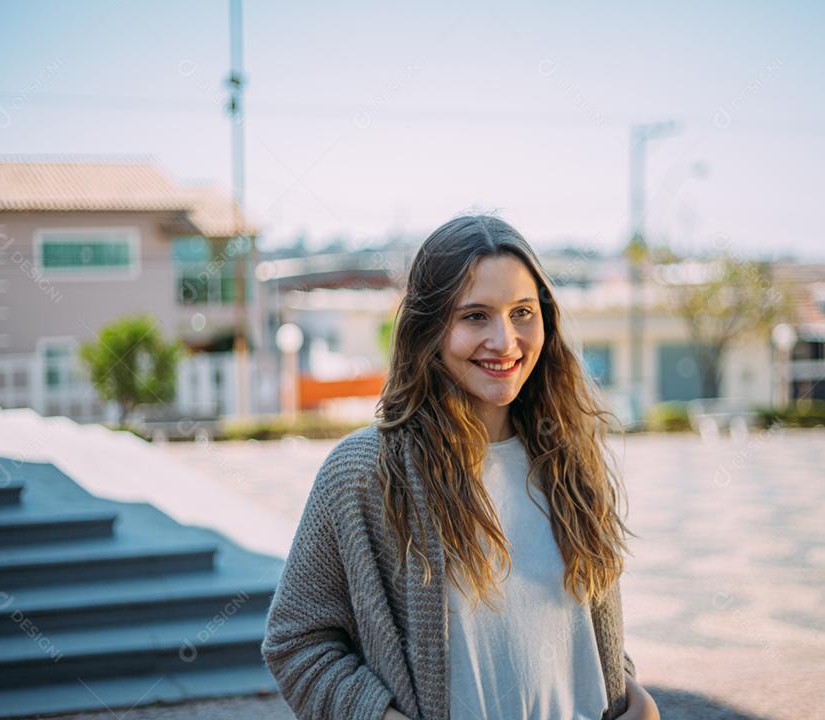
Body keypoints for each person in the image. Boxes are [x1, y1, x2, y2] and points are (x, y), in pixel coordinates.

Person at [262, 215, 660, 720]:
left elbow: (576, 633)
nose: (504, 340)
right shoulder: (366, 473)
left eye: (522, 312)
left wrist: (631, 692)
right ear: (430, 329)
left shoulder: (571, 458)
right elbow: (297, 643)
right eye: (475, 316)